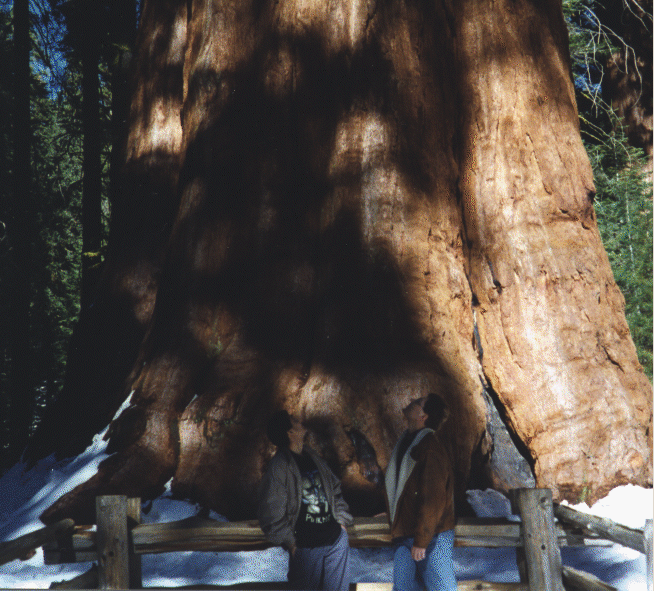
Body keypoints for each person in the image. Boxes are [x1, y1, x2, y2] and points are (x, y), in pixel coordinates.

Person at [258, 410, 353, 591]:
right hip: (306, 547)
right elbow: (270, 513)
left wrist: (341, 523)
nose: (299, 420)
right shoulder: (279, 466)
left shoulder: (311, 455)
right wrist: (291, 543)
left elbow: (334, 488)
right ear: (290, 433)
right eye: (294, 420)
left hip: (334, 541)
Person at [384, 393, 456, 591]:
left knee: (442, 588)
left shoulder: (430, 446)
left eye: (418, 402)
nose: (412, 401)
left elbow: (434, 497)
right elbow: (405, 487)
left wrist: (422, 540)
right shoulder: (408, 440)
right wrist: (395, 511)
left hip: (430, 536)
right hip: (405, 532)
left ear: (423, 416)